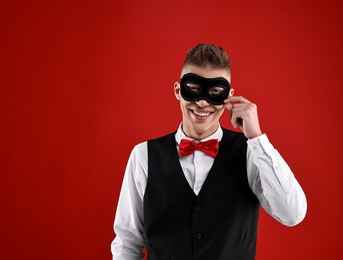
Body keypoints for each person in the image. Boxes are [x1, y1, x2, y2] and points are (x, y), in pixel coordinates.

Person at [111, 43, 307, 260]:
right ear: (178, 90)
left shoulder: (251, 153)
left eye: (214, 92)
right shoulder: (143, 156)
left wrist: (257, 138)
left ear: (229, 96)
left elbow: (292, 214)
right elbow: (127, 243)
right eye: (193, 89)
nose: (202, 101)